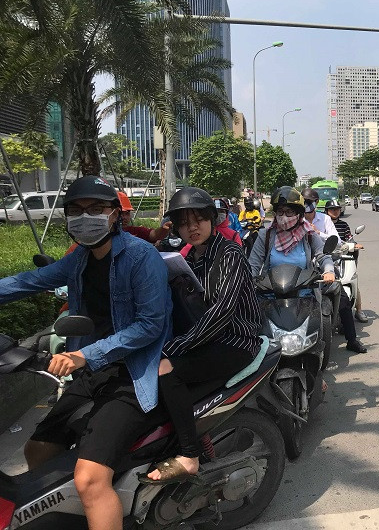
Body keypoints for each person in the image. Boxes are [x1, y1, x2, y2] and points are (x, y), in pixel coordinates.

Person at [0, 175, 171, 530]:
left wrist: (83, 355)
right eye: (76, 210)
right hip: (93, 371)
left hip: (134, 372)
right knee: (38, 450)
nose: (85, 217)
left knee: (90, 479)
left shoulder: (142, 257)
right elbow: (29, 281)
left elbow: (150, 325)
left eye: (96, 209)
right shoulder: (79, 259)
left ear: (114, 216)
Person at [147, 188, 261, 482]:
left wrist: (179, 346)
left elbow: (222, 312)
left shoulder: (230, 254)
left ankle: (189, 454)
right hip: (208, 339)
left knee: (165, 370)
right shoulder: (190, 258)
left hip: (236, 340)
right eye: (184, 223)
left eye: (198, 219)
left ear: (212, 219)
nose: (192, 228)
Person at [249, 187, 367, 354]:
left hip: (304, 292)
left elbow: (323, 256)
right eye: (280, 211)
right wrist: (248, 279)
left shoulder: (309, 234)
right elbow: (253, 264)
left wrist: (328, 271)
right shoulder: (266, 235)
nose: (284, 217)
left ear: (298, 213)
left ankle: (326, 358)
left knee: (336, 305)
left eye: (289, 212)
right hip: (270, 293)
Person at [324, 200, 369, 323]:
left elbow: (350, 239)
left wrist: (355, 245)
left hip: (342, 257)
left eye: (337, 209)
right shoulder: (322, 224)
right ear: (326, 211)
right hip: (326, 258)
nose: (335, 211)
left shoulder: (343, 225)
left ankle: (359, 310)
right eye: (332, 209)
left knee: (352, 280)